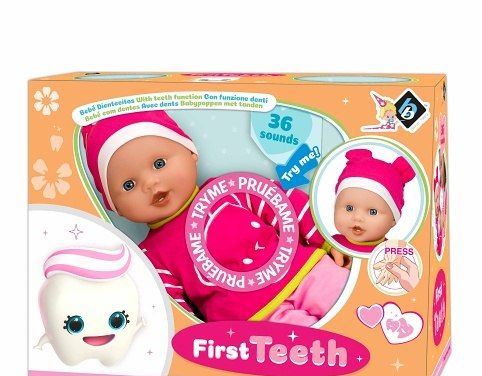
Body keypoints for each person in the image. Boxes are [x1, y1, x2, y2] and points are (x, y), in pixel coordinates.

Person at [81, 110, 349, 327]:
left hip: (308, 272)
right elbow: (170, 310)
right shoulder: (151, 257)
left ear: (191, 153)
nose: (150, 183)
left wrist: (329, 238)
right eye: (128, 185)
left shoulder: (229, 188)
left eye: (159, 164)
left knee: (350, 305)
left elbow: (285, 204)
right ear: (116, 208)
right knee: (319, 352)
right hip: (253, 321)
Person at [333, 148, 416, 253]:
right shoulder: (329, 243)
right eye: (349, 208)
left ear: (393, 219)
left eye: (373, 212)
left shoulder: (389, 252)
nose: (357, 217)